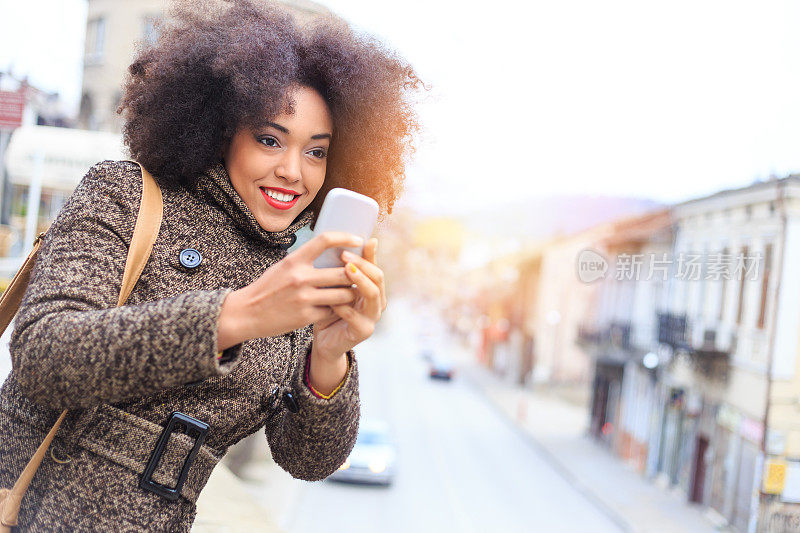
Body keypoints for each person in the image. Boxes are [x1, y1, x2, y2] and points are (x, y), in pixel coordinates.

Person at [0, 0, 421, 529]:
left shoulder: (291, 274)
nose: (292, 171)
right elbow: (42, 352)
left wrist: (330, 356)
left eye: (316, 152)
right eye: (270, 140)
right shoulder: (128, 196)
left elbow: (309, 460)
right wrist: (236, 317)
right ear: (221, 130)